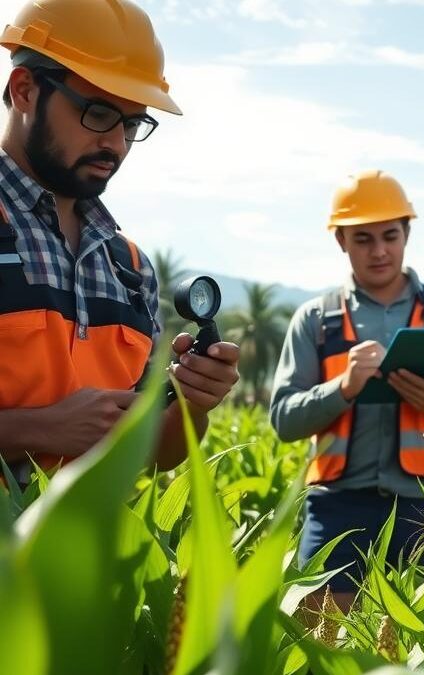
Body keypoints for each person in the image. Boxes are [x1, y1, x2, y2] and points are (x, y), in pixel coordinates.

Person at [0, 0, 240, 478]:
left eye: (131, 123)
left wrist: (193, 403)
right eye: (98, 113)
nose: (115, 142)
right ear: (25, 91)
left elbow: (153, 455)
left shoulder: (130, 267)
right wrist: (35, 430)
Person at [270, 169, 424, 612]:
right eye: (362, 239)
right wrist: (343, 387)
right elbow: (284, 420)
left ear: (406, 234)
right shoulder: (315, 319)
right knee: (322, 641)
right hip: (337, 508)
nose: (379, 251)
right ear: (341, 241)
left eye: (389, 236)